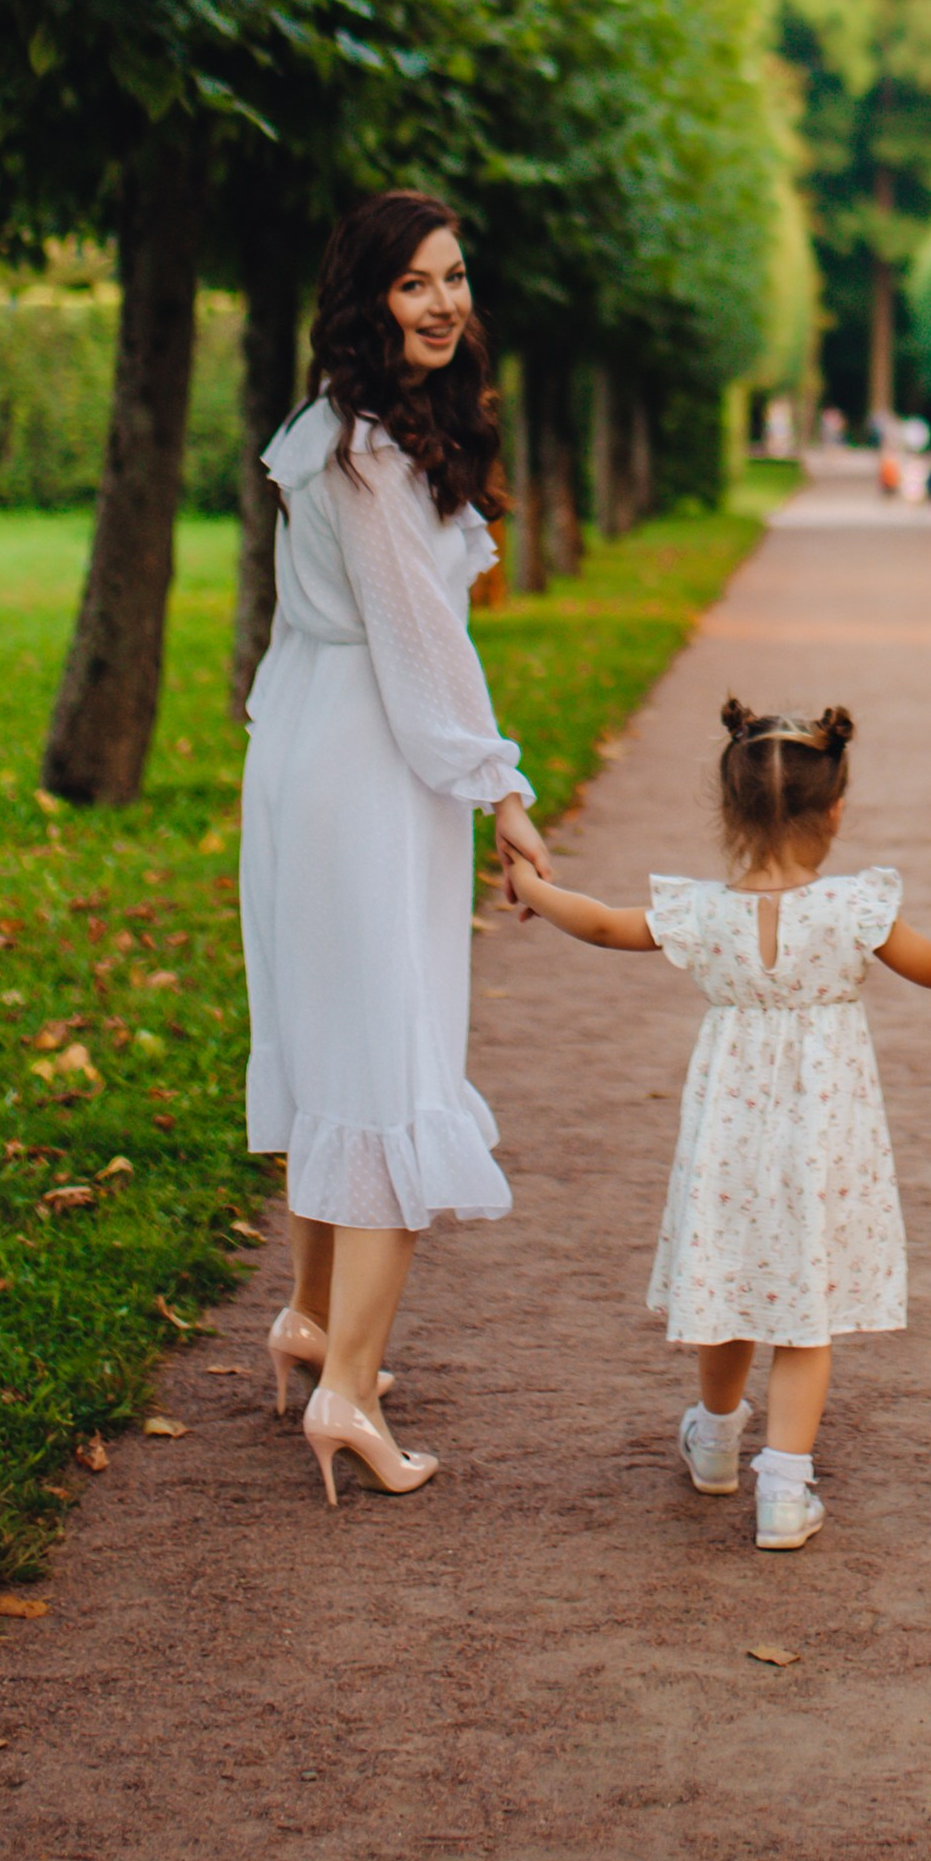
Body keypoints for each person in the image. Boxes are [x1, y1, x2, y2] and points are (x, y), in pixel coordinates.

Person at [500, 700, 931, 1551]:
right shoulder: (852, 910)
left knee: (729, 1279)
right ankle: (785, 1487)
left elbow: (603, 922)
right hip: (824, 1138)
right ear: (834, 809)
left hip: (729, 1135)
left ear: (728, 810)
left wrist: (533, 887)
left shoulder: (700, 913)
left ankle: (718, 1438)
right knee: (806, 1301)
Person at [239, 189, 546, 1506]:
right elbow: (425, 650)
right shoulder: (365, 450)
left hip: (312, 738)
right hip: (367, 756)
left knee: (331, 1046)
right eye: (415, 284)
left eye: (455, 278)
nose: (443, 303)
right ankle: (349, 1392)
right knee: (384, 1058)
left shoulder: (334, 426)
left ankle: (312, 1323)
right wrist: (503, 792)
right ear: (366, 294)